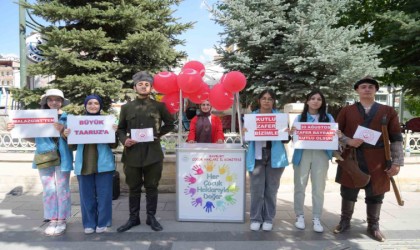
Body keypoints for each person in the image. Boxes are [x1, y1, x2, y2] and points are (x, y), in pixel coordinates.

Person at [334, 77, 404, 242]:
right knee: (348, 191)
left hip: (378, 158)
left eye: (371, 87)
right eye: (363, 87)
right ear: (357, 90)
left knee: (376, 193)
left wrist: (396, 162)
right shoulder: (346, 111)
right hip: (352, 157)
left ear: (375, 90)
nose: (367, 89)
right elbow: (336, 132)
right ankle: (345, 221)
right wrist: (348, 140)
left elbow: (396, 138)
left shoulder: (388, 111)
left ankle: (373, 226)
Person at [7, 89, 73, 236]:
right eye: (50, 99)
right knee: (49, 189)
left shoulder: (68, 118)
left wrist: (63, 130)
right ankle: (52, 218)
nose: (54, 102)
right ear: (46, 102)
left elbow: (74, 140)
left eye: (57, 99)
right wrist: (15, 129)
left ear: (62, 102)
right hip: (44, 156)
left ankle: (61, 219)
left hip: (63, 158)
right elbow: (32, 137)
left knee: (62, 189)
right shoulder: (38, 117)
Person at [116, 71, 175, 232]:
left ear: (151, 87)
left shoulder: (159, 106)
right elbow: (120, 128)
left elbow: (171, 124)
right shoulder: (126, 107)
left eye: (146, 84)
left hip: (153, 154)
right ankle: (133, 218)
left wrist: (157, 134)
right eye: (140, 84)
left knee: (152, 187)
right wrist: (124, 140)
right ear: (135, 87)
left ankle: (151, 217)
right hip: (132, 154)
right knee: (133, 188)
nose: (143, 86)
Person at [63, 95, 118, 234]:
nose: (93, 106)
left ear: (100, 106)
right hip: (84, 165)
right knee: (86, 197)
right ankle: (89, 223)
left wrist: (114, 132)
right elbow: (73, 147)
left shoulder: (107, 121)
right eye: (90, 103)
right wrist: (67, 135)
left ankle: (103, 222)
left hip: (104, 165)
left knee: (104, 196)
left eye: (96, 103)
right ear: (85, 105)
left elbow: (114, 144)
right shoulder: (77, 122)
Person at [290, 90, 339, 233]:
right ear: (307, 101)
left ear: (322, 102)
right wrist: (291, 133)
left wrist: (338, 135)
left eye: (319, 99)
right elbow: (293, 138)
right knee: (299, 186)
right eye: (312, 98)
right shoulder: (300, 118)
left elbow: (333, 137)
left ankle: (316, 217)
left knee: (319, 188)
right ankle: (299, 215)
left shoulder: (328, 117)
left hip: (321, 155)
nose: (316, 101)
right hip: (302, 154)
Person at [244, 89, 289, 231]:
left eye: (270, 99)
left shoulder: (280, 117)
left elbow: (286, 140)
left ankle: (268, 218)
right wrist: (244, 133)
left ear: (273, 101)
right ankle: (256, 218)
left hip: (274, 156)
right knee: (257, 190)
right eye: (264, 98)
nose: (267, 101)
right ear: (259, 100)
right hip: (257, 156)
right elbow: (246, 139)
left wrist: (287, 133)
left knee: (271, 190)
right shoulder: (251, 117)